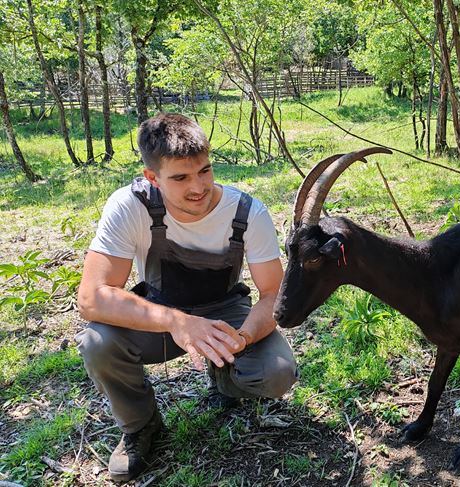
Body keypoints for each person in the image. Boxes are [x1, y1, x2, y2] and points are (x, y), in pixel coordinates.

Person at [75, 113, 298, 483]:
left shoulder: (247, 212)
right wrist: (177, 323)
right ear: (153, 177)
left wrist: (239, 339)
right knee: (98, 342)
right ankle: (140, 426)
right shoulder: (130, 206)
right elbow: (91, 298)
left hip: (226, 311)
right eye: (180, 177)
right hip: (162, 311)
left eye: (205, 171)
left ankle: (224, 378)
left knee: (278, 374)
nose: (199, 187)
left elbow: (273, 294)